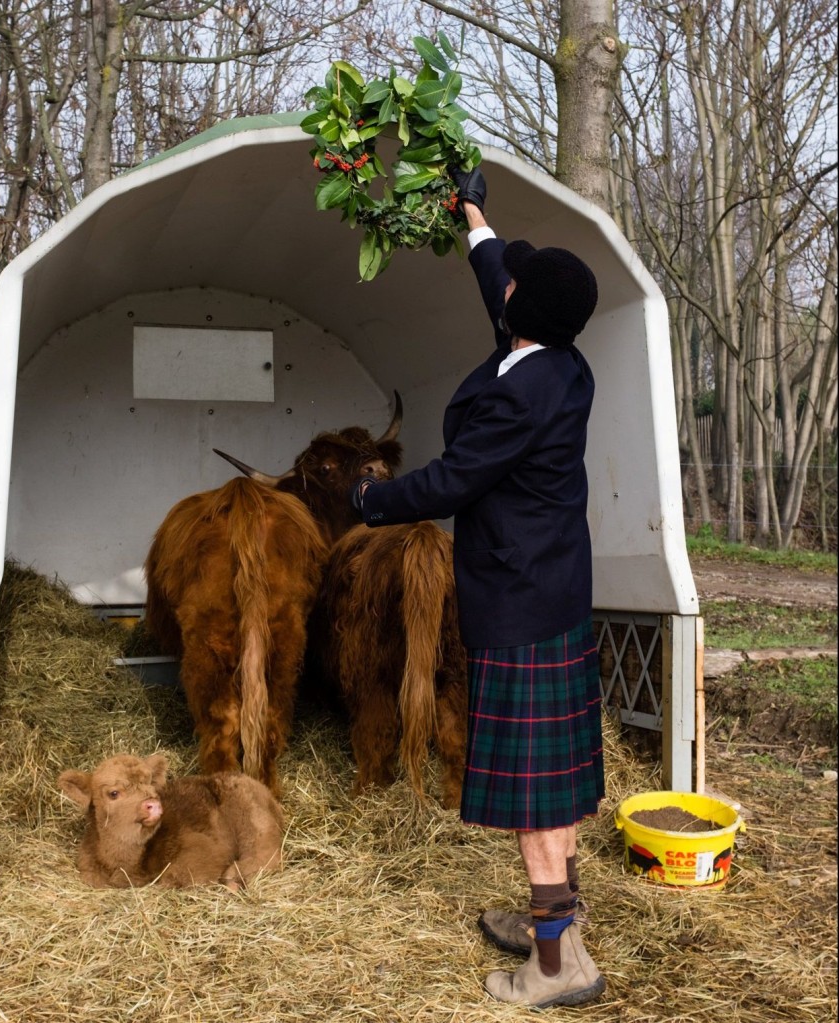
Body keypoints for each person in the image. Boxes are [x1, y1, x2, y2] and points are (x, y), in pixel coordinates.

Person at [349, 168, 606, 1009]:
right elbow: (502, 283)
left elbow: (448, 483)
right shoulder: (561, 361)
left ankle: (556, 965)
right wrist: (473, 215)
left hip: (520, 606)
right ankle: (552, 922)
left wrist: (363, 500)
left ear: (524, 316)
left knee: (537, 803)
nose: (508, 285)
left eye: (517, 286)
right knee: (556, 789)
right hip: (557, 593)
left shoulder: (520, 398)